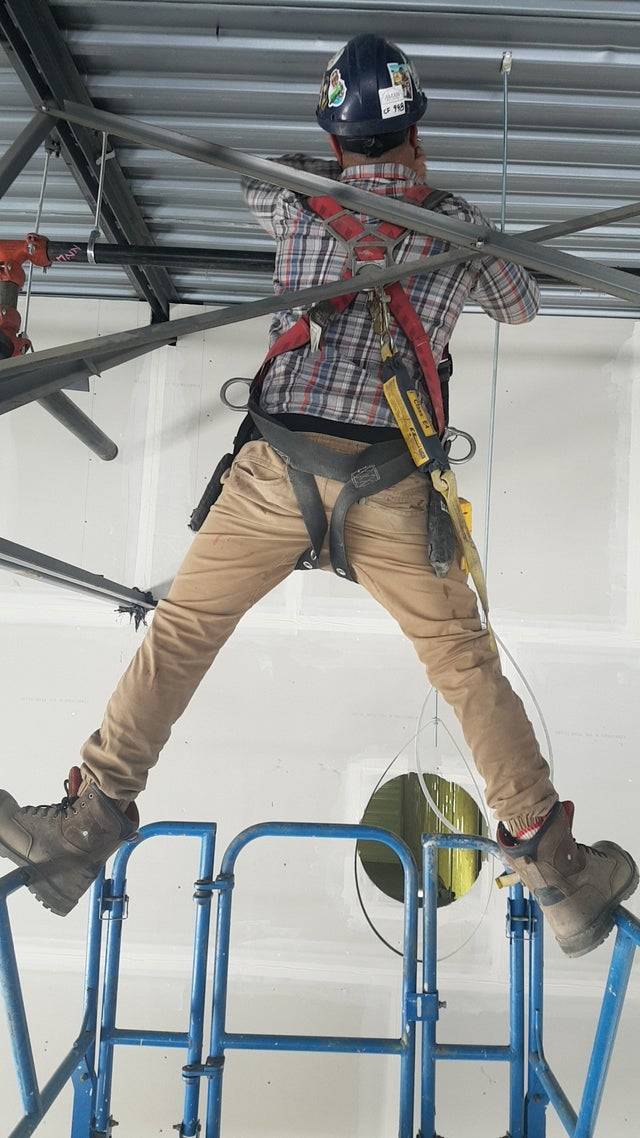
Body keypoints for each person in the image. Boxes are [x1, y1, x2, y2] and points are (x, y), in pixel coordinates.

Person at [0, 35, 636, 958]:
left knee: (180, 635)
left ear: (335, 135)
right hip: (390, 483)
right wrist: (453, 228)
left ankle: (81, 834)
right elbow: (520, 304)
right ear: (417, 128)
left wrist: (341, 190)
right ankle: (555, 869)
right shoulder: (458, 227)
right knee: (461, 663)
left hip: (276, 471)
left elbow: (256, 186)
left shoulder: (295, 193)